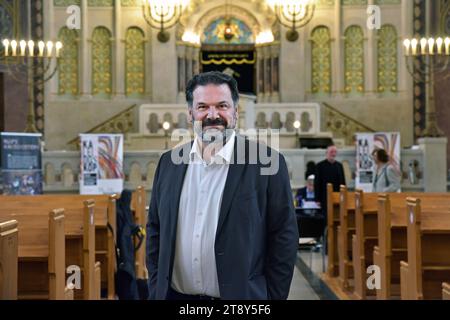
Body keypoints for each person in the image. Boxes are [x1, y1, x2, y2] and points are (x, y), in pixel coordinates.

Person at [146, 71, 298, 300]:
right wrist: (156, 288)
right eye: (203, 106)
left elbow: (284, 237)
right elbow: (155, 230)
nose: (212, 115)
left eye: (222, 105)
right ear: (190, 113)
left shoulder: (268, 164)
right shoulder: (169, 163)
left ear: (236, 113)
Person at [314, 145, 346, 220]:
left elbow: (343, 182)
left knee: (337, 217)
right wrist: (317, 199)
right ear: (326, 153)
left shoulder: (339, 166)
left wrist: (344, 195)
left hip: (338, 196)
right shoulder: (320, 166)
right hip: (324, 197)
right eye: (331, 152)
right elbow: (317, 183)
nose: (333, 154)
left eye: (335, 152)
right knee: (326, 218)